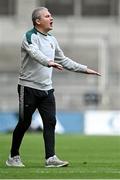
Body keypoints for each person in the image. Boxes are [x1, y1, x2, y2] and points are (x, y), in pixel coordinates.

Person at [6, 7, 101, 168]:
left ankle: (51, 158)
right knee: (24, 122)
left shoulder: (52, 40)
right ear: (38, 21)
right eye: (47, 16)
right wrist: (48, 62)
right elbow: (35, 53)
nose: (52, 18)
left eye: (51, 15)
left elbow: (63, 60)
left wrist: (84, 69)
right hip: (28, 88)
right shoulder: (29, 37)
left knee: (50, 122)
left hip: (47, 90)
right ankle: (13, 156)